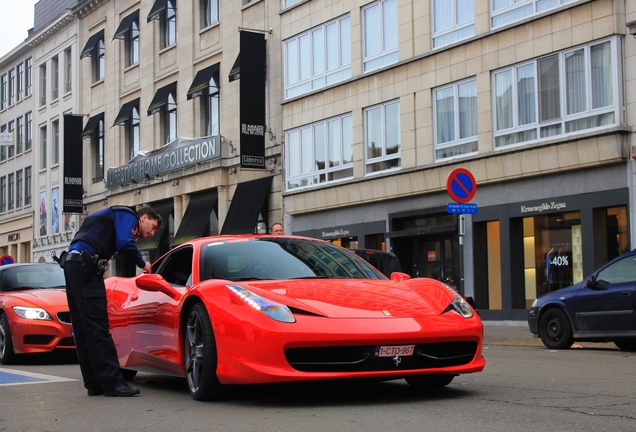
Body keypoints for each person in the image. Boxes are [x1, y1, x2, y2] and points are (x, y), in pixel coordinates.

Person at [62, 205, 162, 397]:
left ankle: (94, 384)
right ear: (144, 217)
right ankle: (113, 384)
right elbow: (125, 242)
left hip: (72, 265)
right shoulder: (128, 215)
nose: (151, 233)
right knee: (98, 327)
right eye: (153, 226)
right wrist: (143, 263)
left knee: (84, 329)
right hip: (86, 268)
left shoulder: (110, 216)